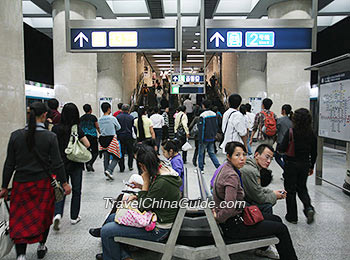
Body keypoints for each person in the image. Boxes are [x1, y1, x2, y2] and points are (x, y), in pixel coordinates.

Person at [0, 102, 72, 260]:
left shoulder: (16, 135)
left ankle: (21, 255)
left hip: (21, 184)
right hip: (42, 184)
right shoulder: (49, 136)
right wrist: (64, 183)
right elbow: (57, 162)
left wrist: (4, 186)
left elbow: (9, 164)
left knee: (20, 218)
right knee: (44, 215)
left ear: (29, 115)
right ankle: (41, 245)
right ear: (45, 116)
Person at [212, 141, 298, 260]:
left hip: (236, 218)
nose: (242, 158)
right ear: (229, 156)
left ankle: (268, 249)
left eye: (244, 154)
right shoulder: (231, 176)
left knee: (276, 219)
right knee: (281, 229)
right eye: (237, 155)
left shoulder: (229, 168)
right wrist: (218, 218)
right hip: (234, 226)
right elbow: (229, 206)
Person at [95, 145, 182, 260]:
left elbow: (143, 207)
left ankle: (112, 255)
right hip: (156, 218)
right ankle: (119, 255)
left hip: (158, 229)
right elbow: (155, 196)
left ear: (143, 166)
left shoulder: (162, 182)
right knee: (112, 218)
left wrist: (145, 182)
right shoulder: (164, 170)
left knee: (106, 231)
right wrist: (140, 189)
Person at [51, 103, 90, 230]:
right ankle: (74, 217)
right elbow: (88, 144)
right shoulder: (77, 129)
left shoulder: (55, 129)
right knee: (76, 190)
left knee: (60, 189)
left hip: (60, 163)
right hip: (75, 163)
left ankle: (57, 214)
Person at [278, 108, 317, 225]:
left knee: (290, 191)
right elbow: (314, 152)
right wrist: (311, 166)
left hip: (291, 164)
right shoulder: (311, 133)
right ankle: (308, 207)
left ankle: (292, 216)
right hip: (305, 164)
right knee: (302, 188)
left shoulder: (291, 131)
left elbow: (282, 148)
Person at [240, 144, 286, 215]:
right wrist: (275, 196)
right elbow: (259, 197)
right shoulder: (251, 171)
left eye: (271, 159)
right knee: (268, 208)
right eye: (267, 157)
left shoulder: (252, 166)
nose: (268, 161)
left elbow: (257, 189)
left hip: (240, 202)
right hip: (235, 207)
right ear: (256, 155)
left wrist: (272, 192)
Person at [98, 102, 121, 181]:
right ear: (108, 109)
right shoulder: (112, 118)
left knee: (106, 156)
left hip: (103, 139)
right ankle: (110, 170)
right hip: (112, 139)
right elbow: (118, 127)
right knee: (116, 156)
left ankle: (106, 171)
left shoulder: (99, 119)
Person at [198, 100, 220, 172]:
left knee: (201, 153)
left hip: (205, 137)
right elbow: (216, 126)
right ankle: (218, 167)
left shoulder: (203, 115)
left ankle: (200, 168)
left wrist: (201, 139)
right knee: (211, 152)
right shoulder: (214, 114)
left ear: (203, 105)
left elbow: (202, 128)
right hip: (212, 137)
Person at [80, 104, 101, 172]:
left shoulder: (81, 118)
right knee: (95, 152)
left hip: (84, 137)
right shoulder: (93, 117)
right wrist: (100, 132)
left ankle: (87, 164)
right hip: (92, 136)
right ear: (90, 110)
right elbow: (97, 126)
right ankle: (90, 163)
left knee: (86, 151)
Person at [116, 104, 135, 172]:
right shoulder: (131, 117)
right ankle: (130, 166)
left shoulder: (118, 117)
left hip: (120, 136)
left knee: (121, 152)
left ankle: (122, 167)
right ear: (128, 109)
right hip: (129, 136)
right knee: (130, 152)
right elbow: (133, 127)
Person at [275, 104, 293, 171]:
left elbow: (276, 130)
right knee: (286, 158)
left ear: (283, 111)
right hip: (290, 143)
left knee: (277, 157)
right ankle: (285, 173)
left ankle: (286, 170)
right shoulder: (292, 120)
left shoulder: (280, 120)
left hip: (281, 142)